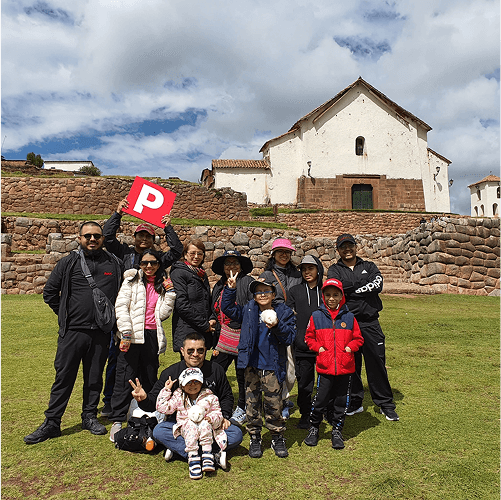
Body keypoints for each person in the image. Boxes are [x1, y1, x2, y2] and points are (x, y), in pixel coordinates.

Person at [24, 222, 123, 444]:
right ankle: (52, 422)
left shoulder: (114, 264)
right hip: (72, 332)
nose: (92, 239)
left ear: (102, 239)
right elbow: (50, 292)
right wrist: (66, 315)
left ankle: (89, 416)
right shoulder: (68, 263)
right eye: (87, 236)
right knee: (63, 377)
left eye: (96, 236)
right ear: (79, 238)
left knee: (94, 378)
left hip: (100, 333)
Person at [101, 198, 182, 415]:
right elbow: (107, 238)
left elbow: (176, 250)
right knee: (118, 363)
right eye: (141, 235)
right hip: (126, 317)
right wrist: (118, 214)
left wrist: (168, 227)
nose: (144, 239)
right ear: (135, 238)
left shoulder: (158, 260)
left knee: (148, 365)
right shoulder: (125, 253)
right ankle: (111, 402)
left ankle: (144, 404)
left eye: (148, 236)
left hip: (149, 322)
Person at [129, 333, 242, 468]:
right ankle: (209, 454)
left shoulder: (216, 370)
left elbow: (226, 396)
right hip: (182, 425)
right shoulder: (171, 373)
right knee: (159, 431)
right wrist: (144, 399)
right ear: (182, 351)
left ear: (205, 351)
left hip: (210, 424)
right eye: (190, 351)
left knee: (236, 434)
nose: (195, 354)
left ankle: (182, 451)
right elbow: (154, 403)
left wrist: (224, 416)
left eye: (200, 350)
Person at [327, 234, 399, 421]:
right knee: (351, 364)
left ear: (356, 247)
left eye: (350, 245)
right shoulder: (334, 269)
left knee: (376, 362)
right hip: (347, 323)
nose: (347, 249)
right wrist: (361, 286)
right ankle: (355, 402)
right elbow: (337, 288)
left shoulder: (369, 266)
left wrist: (353, 290)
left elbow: (378, 284)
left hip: (370, 322)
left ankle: (385, 403)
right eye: (343, 247)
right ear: (338, 250)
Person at [222, 276, 296, 459]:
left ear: (273, 293)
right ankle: (255, 436)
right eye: (258, 292)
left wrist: (277, 325)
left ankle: (277, 436)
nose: (262, 295)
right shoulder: (248, 310)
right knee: (251, 402)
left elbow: (289, 337)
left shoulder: (283, 312)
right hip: (251, 364)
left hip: (272, 364)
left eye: (266, 291)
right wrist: (230, 290)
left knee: (274, 402)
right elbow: (228, 308)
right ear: (254, 295)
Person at [108, 249, 176, 442]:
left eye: (153, 263)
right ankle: (118, 419)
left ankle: (148, 414)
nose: (149, 266)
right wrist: (125, 331)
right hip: (131, 334)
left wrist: (170, 293)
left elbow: (162, 314)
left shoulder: (162, 284)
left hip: (152, 334)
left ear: (158, 264)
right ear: (139, 263)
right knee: (125, 376)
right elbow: (121, 306)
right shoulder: (131, 281)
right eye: (145, 263)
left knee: (149, 374)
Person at [303, 278, 364, 449]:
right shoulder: (316, 316)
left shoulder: (350, 317)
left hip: (345, 367)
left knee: (341, 400)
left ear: (341, 296)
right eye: (328, 295)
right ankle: (314, 427)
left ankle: (337, 429)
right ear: (323, 296)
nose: (331, 298)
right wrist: (319, 348)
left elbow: (358, 338)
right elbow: (309, 337)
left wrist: (350, 348)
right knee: (320, 399)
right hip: (325, 368)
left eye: (335, 295)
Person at [156, 367, 228, 479]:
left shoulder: (210, 397)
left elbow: (218, 413)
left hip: (207, 430)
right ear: (182, 385)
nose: (192, 385)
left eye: (196, 381)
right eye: (188, 382)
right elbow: (162, 408)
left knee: (235, 433)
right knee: (160, 430)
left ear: (201, 383)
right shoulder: (178, 397)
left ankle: (207, 454)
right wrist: (166, 390)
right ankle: (194, 457)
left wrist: (211, 418)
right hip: (187, 430)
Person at [210, 250, 254, 426]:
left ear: (241, 266)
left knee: (242, 373)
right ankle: (213, 402)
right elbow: (214, 308)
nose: (232, 266)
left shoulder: (248, 283)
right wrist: (212, 318)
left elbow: (251, 309)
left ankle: (243, 407)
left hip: (242, 336)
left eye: (235, 263)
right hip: (223, 336)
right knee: (215, 370)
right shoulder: (219, 285)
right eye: (228, 263)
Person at [260, 237, 302, 419]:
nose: (284, 255)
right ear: (274, 254)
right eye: (280, 252)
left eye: (287, 252)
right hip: (276, 323)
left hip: (295, 322)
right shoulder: (267, 275)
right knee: (279, 364)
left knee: (292, 368)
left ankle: (284, 396)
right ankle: (280, 400)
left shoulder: (297, 274)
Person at [286, 255, 324, 428]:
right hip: (303, 344)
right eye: (304, 269)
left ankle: (326, 410)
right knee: (305, 383)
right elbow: (289, 316)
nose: (307, 272)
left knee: (326, 381)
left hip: (325, 344)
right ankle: (305, 414)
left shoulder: (326, 291)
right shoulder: (294, 291)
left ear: (319, 270)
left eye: (311, 268)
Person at [170, 239, 214, 353]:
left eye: (200, 253)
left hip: (200, 328)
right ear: (185, 255)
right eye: (192, 253)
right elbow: (182, 304)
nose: (196, 256)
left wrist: (211, 318)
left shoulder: (200, 273)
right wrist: (204, 324)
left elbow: (206, 301)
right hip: (187, 329)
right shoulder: (179, 273)